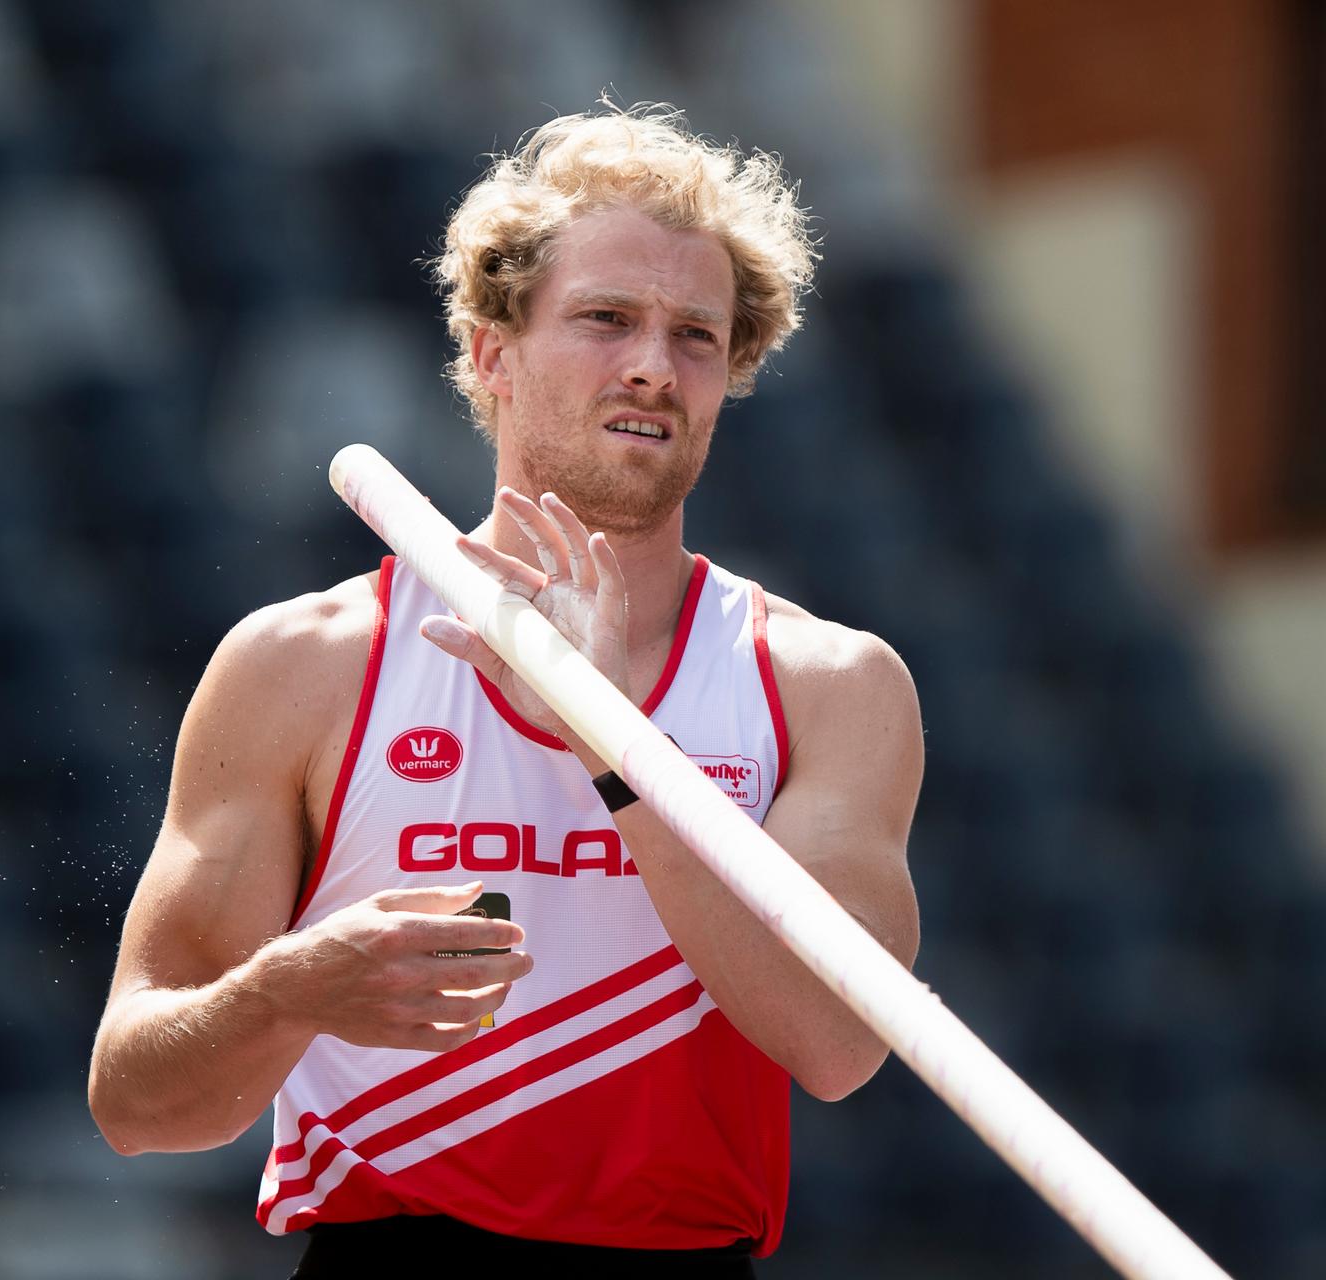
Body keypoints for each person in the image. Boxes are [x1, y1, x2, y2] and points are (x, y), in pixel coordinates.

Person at [87, 102, 923, 1277]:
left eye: (697, 335)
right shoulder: (309, 663)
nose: (652, 363)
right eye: (605, 318)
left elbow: (836, 1041)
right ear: (491, 351)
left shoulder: (828, 684)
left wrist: (606, 735)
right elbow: (136, 1098)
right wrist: (288, 988)